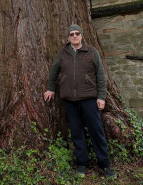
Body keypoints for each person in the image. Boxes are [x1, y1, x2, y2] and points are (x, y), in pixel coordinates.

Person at [44, 24, 116, 179]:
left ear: (82, 35)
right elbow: (54, 70)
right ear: (68, 37)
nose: (75, 36)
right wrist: (51, 88)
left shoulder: (91, 52)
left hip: (89, 99)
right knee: (77, 133)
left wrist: (101, 97)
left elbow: (101, 75)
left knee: (96, 131)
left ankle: (104, 164)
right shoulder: (62, 53)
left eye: (77, 33)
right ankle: (82, 163)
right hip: (70, 100)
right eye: (71, 34)